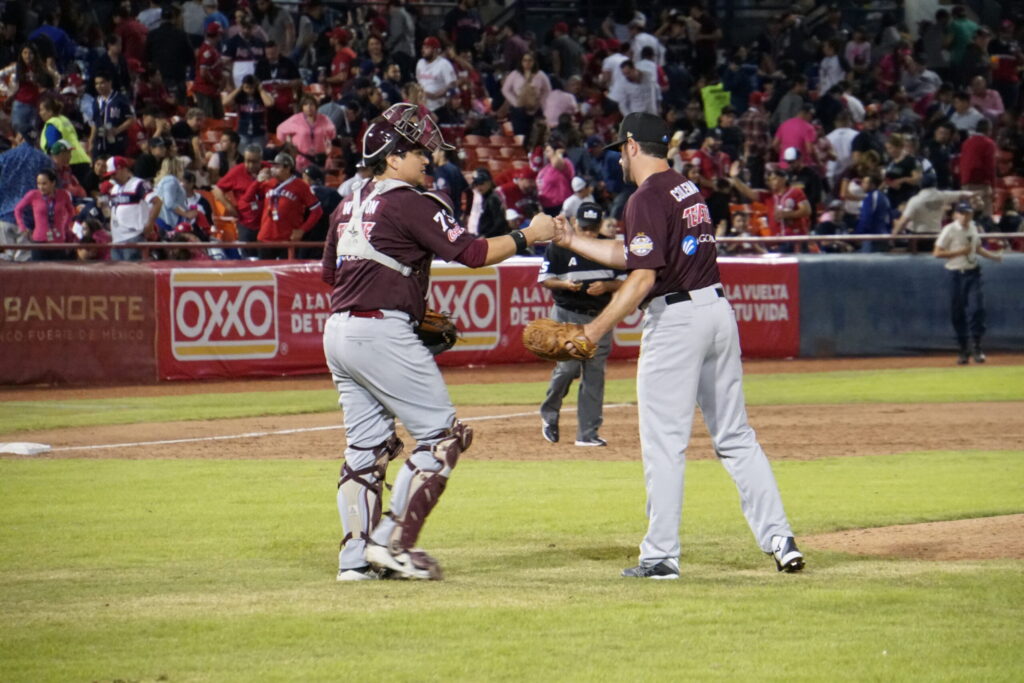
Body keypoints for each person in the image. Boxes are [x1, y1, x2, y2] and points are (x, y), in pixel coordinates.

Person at [548, 113, 804, 578]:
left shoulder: (645, 197)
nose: (618, 161)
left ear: (631, 146)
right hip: (716, 312)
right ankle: (780, 539)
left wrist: (593, 330)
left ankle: (661, 556)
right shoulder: (685, 188)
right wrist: (575, 241)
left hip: (677, 321)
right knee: (735, 436)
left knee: (664, 443)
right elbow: (636, 254)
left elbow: (642, 276)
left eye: (620, 151)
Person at [323, 103, 556, 581]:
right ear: (392, 158)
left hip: (339, 330)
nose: (428, 158)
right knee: (442, 437)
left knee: (365, 448)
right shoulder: (411, 201)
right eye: (417, 151)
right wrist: (528, 234)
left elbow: (332, 274)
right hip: (380, 330)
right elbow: (474, 252)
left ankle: (355, 560)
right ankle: (393, 545)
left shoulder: (347, 202)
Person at [538, 201, 623, 446]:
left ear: (600, 225)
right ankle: (549, 413)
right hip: (567, 315)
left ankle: (587, 434)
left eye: (592, 228)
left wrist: (607, 286)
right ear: (575, 223)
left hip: (600, 317)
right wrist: (564, 285)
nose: (588, 233)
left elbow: (625, 281)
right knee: (567, 369)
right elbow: (545, 279)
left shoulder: (610, 247)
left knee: (594, 375)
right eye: (584, 228)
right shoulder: (559, 246)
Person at [934, 201, 1003, 365]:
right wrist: (960, 252)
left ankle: (977, 347)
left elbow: (977, 248)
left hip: (972, 272)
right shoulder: (949, 229)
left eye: (968, 213)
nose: (965, 217)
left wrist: (993, 257)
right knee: (957, 313)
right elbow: (937, 252)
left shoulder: (973, 227)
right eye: (962, 213)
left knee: (977, 309)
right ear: (956, 214)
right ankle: (963, 349)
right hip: (955, 273)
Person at [0, 130, 54, 262]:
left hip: (4, 216)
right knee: (23, 265)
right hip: (28, 220)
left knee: (4, 263)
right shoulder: (44, 159)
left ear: (20, 137)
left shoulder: (5, 157)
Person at [257, 152, 322, 259]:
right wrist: (256, 182)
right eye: (273, 166)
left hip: (287, 239)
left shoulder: (300, 186)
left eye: (277, 166)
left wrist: (302, 230)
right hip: (266, 237)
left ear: (287, 168)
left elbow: (317, 211)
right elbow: (248, 199)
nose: (272, 169)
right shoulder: (267, 183)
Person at [14, 169, 76, 261]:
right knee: (39, 269)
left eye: (44, 184)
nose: (41, 187)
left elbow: (71, 211)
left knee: (58, 269)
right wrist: (23, 228)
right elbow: (18, 210)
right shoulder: (33, 194)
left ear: (53, 183)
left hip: (58, 240)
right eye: (38, 184)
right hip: (39, 241)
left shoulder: (63, 195)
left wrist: (65, 225)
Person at [104, 156, 154, 261]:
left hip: (134, 237)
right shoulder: (114, 189)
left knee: (133, 270)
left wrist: (150, 224)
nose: (112, 178)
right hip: (116, 239)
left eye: (114, 174)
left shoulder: (139, 184)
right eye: (110, 175)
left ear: (124, 169)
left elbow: (157, 202)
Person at [276, 95, 336, 172]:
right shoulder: (296, 119)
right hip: (301, 159)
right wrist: (288, 143)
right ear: (302, 107)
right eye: (306, 104)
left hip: (320, 159)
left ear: (316, 106)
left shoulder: (324, 119)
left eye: (311, 104)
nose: (309, 107)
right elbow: (280, 130)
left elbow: (332, 134)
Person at [194, 23, 225, 119]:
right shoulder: (206, 51)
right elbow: (203, 72)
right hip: (205, 90)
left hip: (213, 90)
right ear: (217, 35)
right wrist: (215, 82)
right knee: (208, 119)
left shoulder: (212, 49)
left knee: (219, 117)